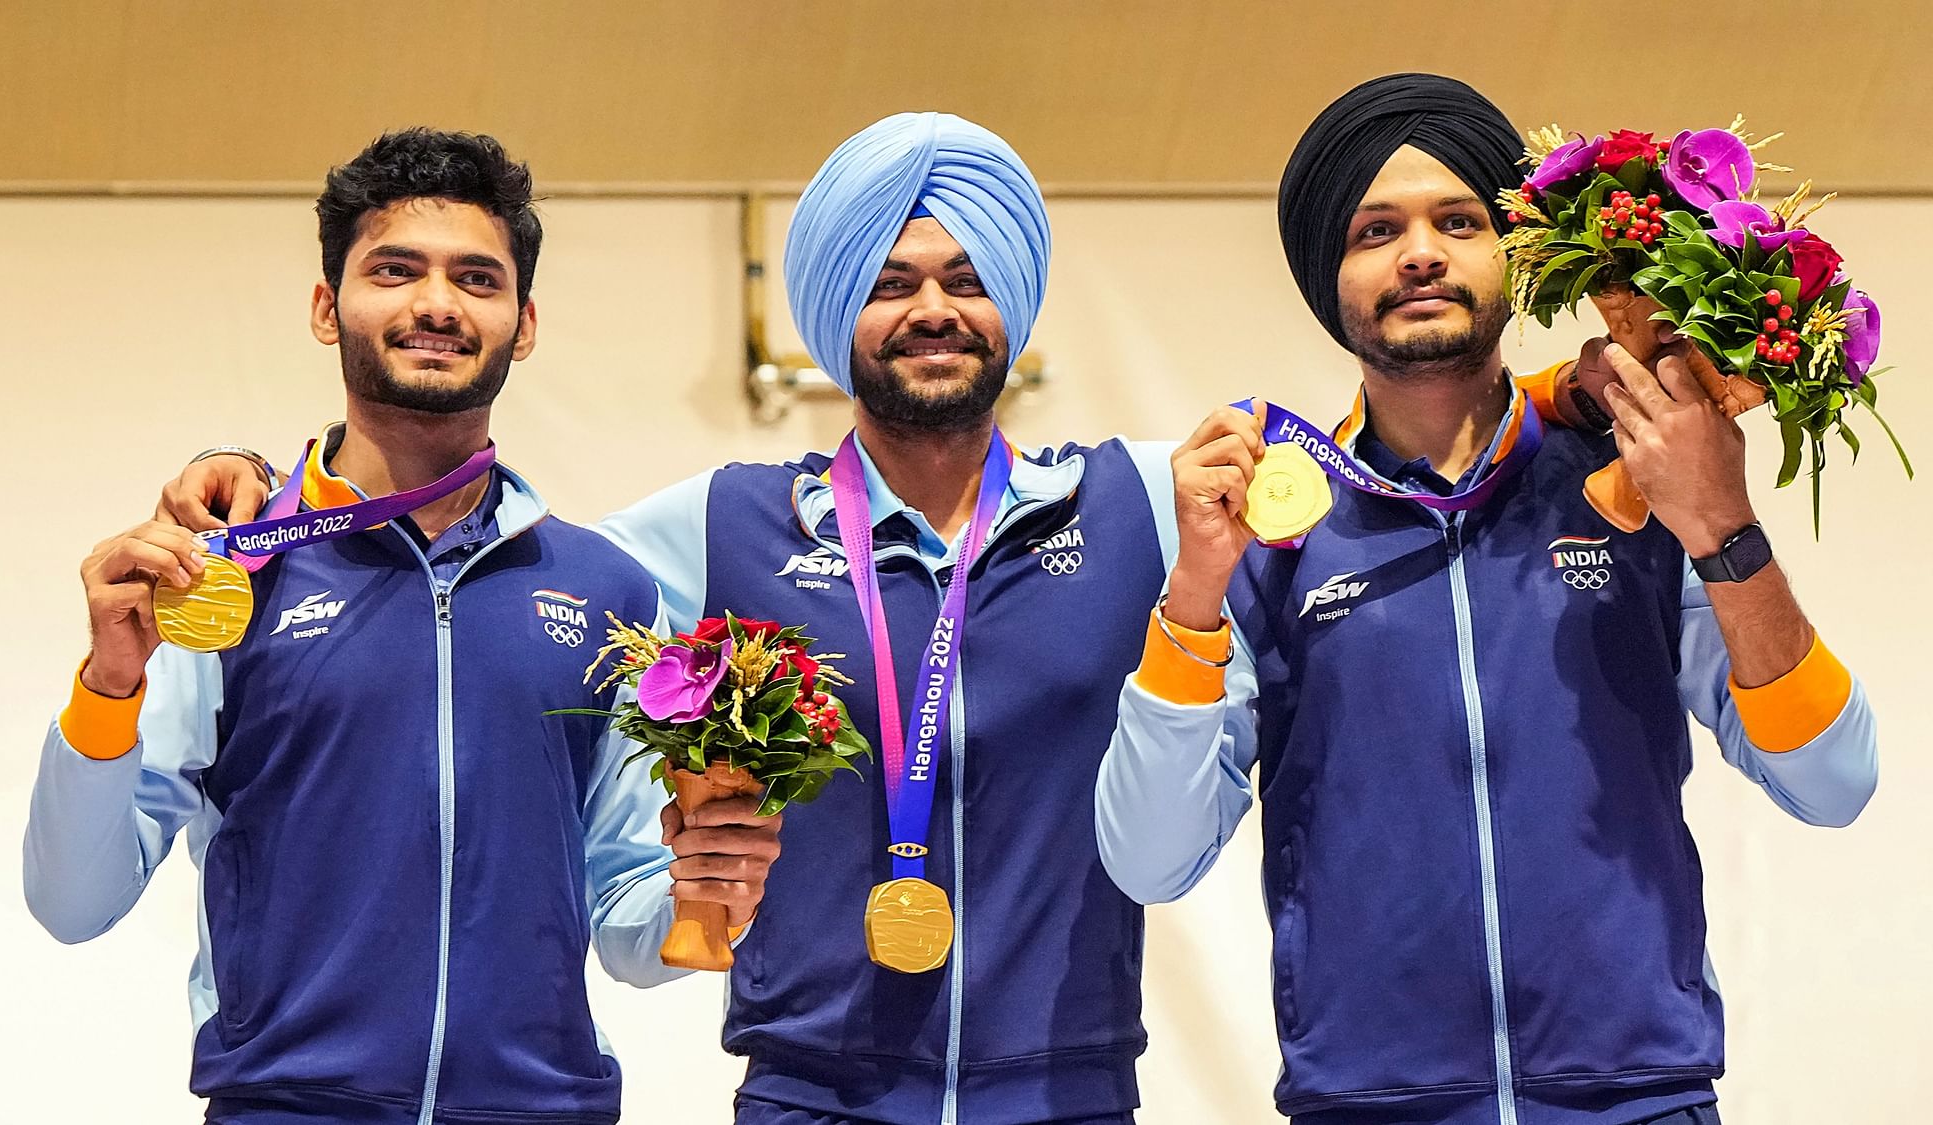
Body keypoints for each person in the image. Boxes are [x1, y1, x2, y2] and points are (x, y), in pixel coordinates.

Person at [163, 112, 1598, 1125]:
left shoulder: (1139, 502)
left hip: (1072, 1097)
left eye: (967, 280)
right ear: (835, 310)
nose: (933, 308)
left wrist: (1558, 401)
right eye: (895, 281)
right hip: (807, 1100)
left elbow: (1343, 452)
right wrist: (272, 499)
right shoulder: (718, 525)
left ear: (1016, 314)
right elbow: (494, 566)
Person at [1097, 73, 1879, 1125]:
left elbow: (1830, 780)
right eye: (1374, 229)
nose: (1418, 251)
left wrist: (1717, 528)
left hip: (1634, 1099)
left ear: (1517, 252)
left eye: (1457, 219)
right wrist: (1193, 590)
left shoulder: (1635, 484)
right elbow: (1150, 860)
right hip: (1372, 1104)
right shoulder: (1267, 535)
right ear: (1326, 275)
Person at [23, 128, 782, 1125]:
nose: (435, 302)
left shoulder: (609, 591)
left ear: (524, 323)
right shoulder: (230, 569)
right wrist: (109, 686)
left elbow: (629, 931)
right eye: (394, 270)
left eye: (476, 277)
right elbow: (73, 903)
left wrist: (717, 883)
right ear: (326, 307)